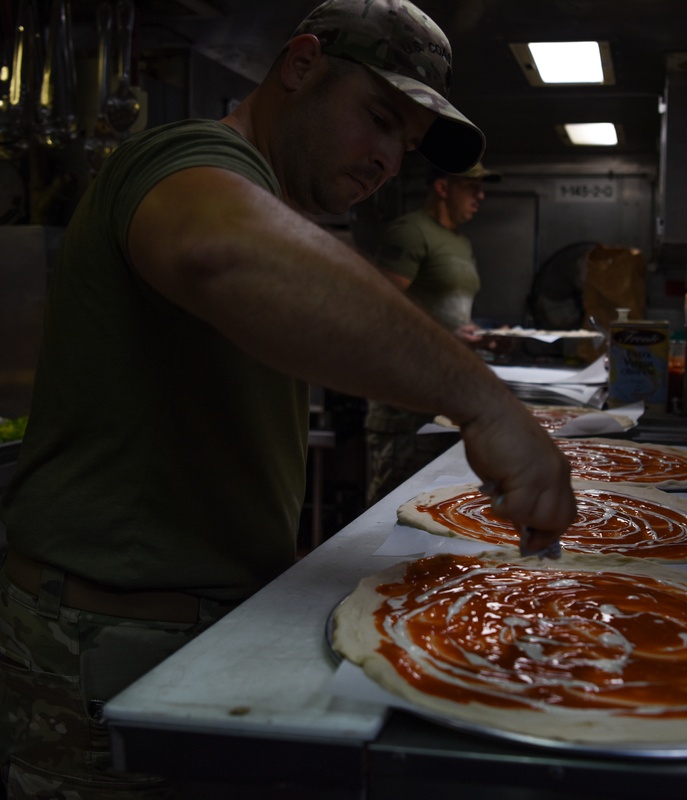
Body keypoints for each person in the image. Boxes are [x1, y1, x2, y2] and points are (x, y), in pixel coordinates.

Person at [0, 1, 575, 797]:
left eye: (402, 145)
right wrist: (488, 404)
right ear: (300, 66)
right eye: (377, 118)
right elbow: (218, 249)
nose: (384, 159)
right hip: (107, 641)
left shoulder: (272, 204)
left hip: (204, 620)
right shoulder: (180, 157)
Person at [365, 161, 500, 505]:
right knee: (391, 506)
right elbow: (378, 312)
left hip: (445, 397)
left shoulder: (460, 244)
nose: (480, 196)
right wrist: (446, 340)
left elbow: (444, 316)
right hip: (403, 404)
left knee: (435, 505)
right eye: (472, 187)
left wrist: (471, 336)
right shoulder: (411, 232)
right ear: (443, 187)